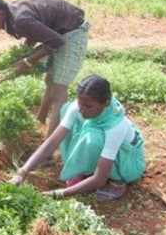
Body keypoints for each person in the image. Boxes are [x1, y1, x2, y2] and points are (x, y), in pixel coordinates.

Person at [9, 75, 146, 200]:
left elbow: (99, 179)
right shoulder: (79, 107)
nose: (82, 110)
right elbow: (52, 142)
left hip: (126, 163)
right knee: (67, 110)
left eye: (88, 106)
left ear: (105, 103)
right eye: (81, 104)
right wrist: (22, 172)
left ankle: (118, 183)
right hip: (103, 151)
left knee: (93, 138)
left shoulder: (116, 126)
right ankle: (84, 168)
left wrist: (60, 193)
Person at [0, 0, 89, 137]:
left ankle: (48, 147)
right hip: (59, 32)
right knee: (50, 80)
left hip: (72, 32)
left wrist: (27, 61)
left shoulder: (20, 19)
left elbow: (56, 42)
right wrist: (18, 57)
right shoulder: (12, 13)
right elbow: (33, 32)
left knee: (59, 89)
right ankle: (40, 121)